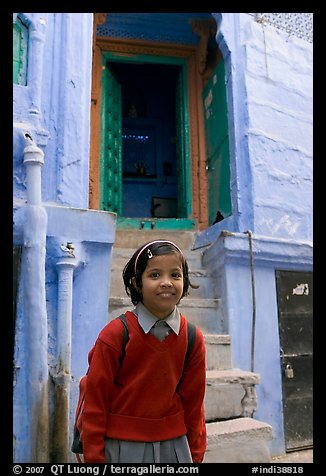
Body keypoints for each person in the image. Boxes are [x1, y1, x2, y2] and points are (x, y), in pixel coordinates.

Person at [82, 240, 207, 463]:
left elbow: (194, 405)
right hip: (121, 447)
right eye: (155, 275)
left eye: (175, 275)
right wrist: (94, 456)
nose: (166, 283)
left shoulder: (192, 338)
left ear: (185, 282)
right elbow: (95, 402)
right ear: (137, 282)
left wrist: (196, 454)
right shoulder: (115, 335)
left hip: (175, 447)